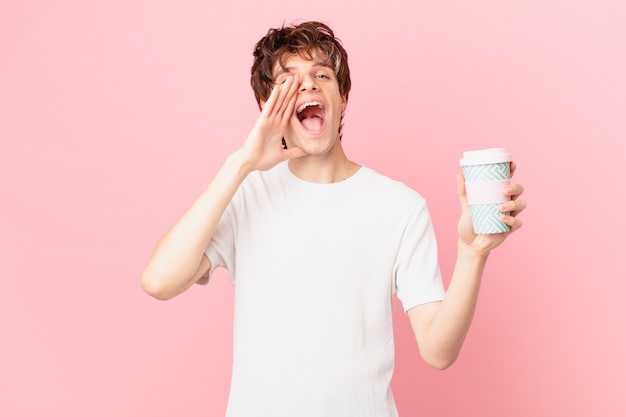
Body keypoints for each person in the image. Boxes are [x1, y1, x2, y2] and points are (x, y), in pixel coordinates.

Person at [141, 20, 526, 417]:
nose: (307, 85)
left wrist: (472, 252)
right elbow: (158, 281)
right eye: (288, 80)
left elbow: (437, 351)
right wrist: (242, 163)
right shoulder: (245, 194)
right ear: (266, 107)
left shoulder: (400, 206)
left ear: (341, 95)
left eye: (321, 75)